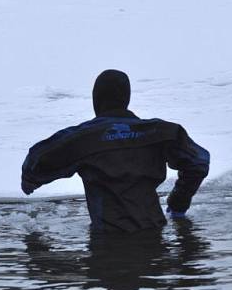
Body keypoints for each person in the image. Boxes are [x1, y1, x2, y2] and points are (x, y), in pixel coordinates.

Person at [20, 69, 209, 231]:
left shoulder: (83, 138)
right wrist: (178, 202)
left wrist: (30, 181)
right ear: (126, 99)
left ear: (97, 100)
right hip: (154, 234)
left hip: (107, 240)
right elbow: (198, 162)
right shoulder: (160, 132)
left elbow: (37, 159)